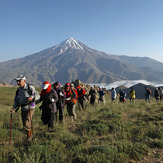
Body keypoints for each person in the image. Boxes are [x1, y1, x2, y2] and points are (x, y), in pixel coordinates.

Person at [10, 75, 40, 143]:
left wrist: (32, 97)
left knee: (26, 123)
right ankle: (30, 135)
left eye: (19, 81)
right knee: (24, 124)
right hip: (23, 108)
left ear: (24, 81)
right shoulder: (18, 90)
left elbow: (38, 96)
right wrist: (13, 107)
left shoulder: (30, 87)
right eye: (17, 81)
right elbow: (16, 100)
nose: (18, 82)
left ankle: (29, 138)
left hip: (30, 107)